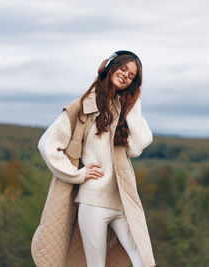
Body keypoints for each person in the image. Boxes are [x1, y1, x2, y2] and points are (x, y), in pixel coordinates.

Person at [37, 50, 154, 267]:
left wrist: (134, 104)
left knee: (144, 261)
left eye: (132, 77)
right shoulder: (82, 106)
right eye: (123, 69)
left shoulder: (124, 106)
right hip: (92, 202)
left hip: (123, 201)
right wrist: (77, 174)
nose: (126, 76)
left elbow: (138, 145)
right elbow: (47, 144)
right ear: (109, 66)